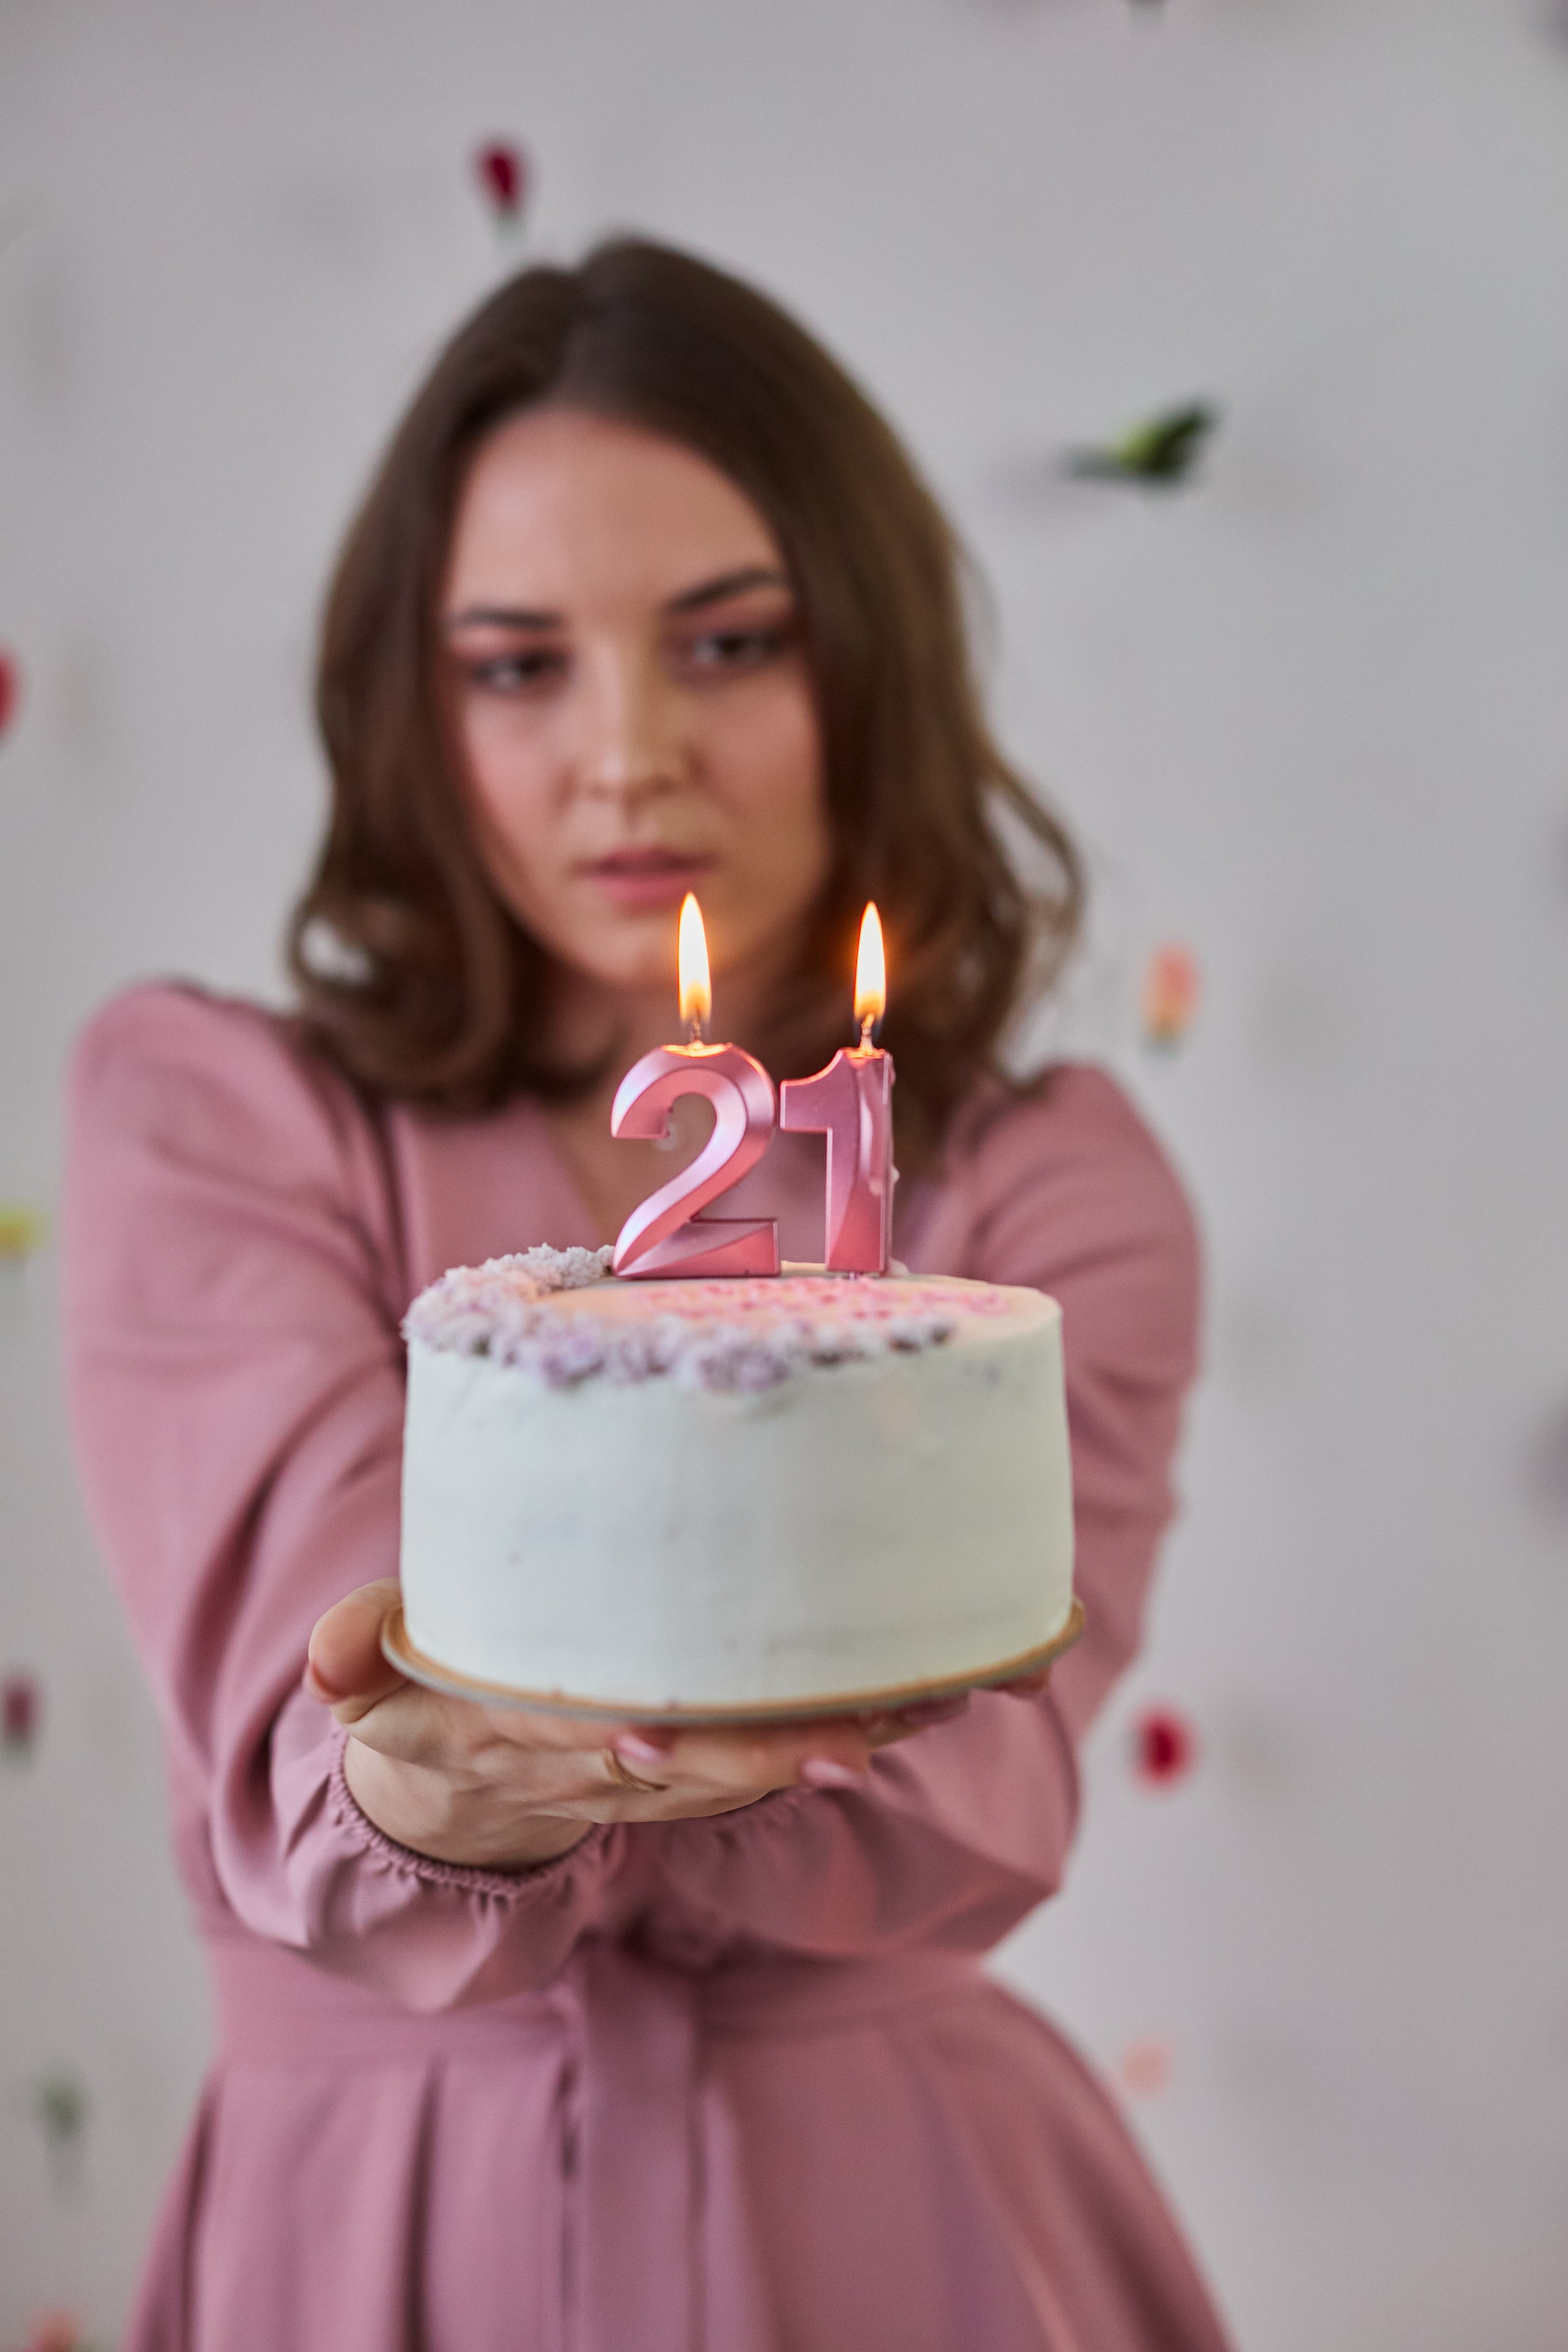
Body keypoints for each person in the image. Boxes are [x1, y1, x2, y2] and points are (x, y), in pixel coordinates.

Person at [62, 238, 1231, 2351]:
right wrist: (426, 1796)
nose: (629, 755)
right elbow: (305, 1744)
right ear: (411, 707)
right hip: (371, 2244)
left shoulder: (1049, 1195)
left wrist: (610, 1750)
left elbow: (990, 1778)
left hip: (899, 2231)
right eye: (518, 665)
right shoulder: (219, 1125)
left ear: (867, 657)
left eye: (728, 641)